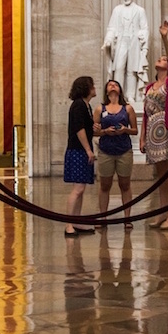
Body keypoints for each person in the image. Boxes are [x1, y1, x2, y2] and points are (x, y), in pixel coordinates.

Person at [141, 21, 168, 231]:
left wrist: (165, 38)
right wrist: (142, 137)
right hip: (152, 132)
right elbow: (146, 113)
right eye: (160, 58)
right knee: (161, 175)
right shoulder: (150, 86)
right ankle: (163, 212)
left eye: (163, 59)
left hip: (167, 128)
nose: (161, 59)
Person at [93, 79, 137, 226]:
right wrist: (105, 131)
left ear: (120, 90)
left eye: (116, 84)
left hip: (124, 150)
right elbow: (94, 131)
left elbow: (135, 130)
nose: (113, 86)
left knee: (125, 184)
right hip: (106, 150)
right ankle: (103, 217)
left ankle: (127, 218)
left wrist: (125, 130)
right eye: (110, 84)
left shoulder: (127, 108)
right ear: (106, 90)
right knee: (105, 185)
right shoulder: (100, 109)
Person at [63, 75, 97, 236]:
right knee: (78, 189)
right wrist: (88, 150)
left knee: (81, 189)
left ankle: (76, 221)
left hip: (81, 149)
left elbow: (86, 127)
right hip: (78, 150)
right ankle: (69, 224)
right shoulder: (78, 105)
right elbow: (79, 129)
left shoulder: (86, 105)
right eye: (92, 85)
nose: (94, 88)